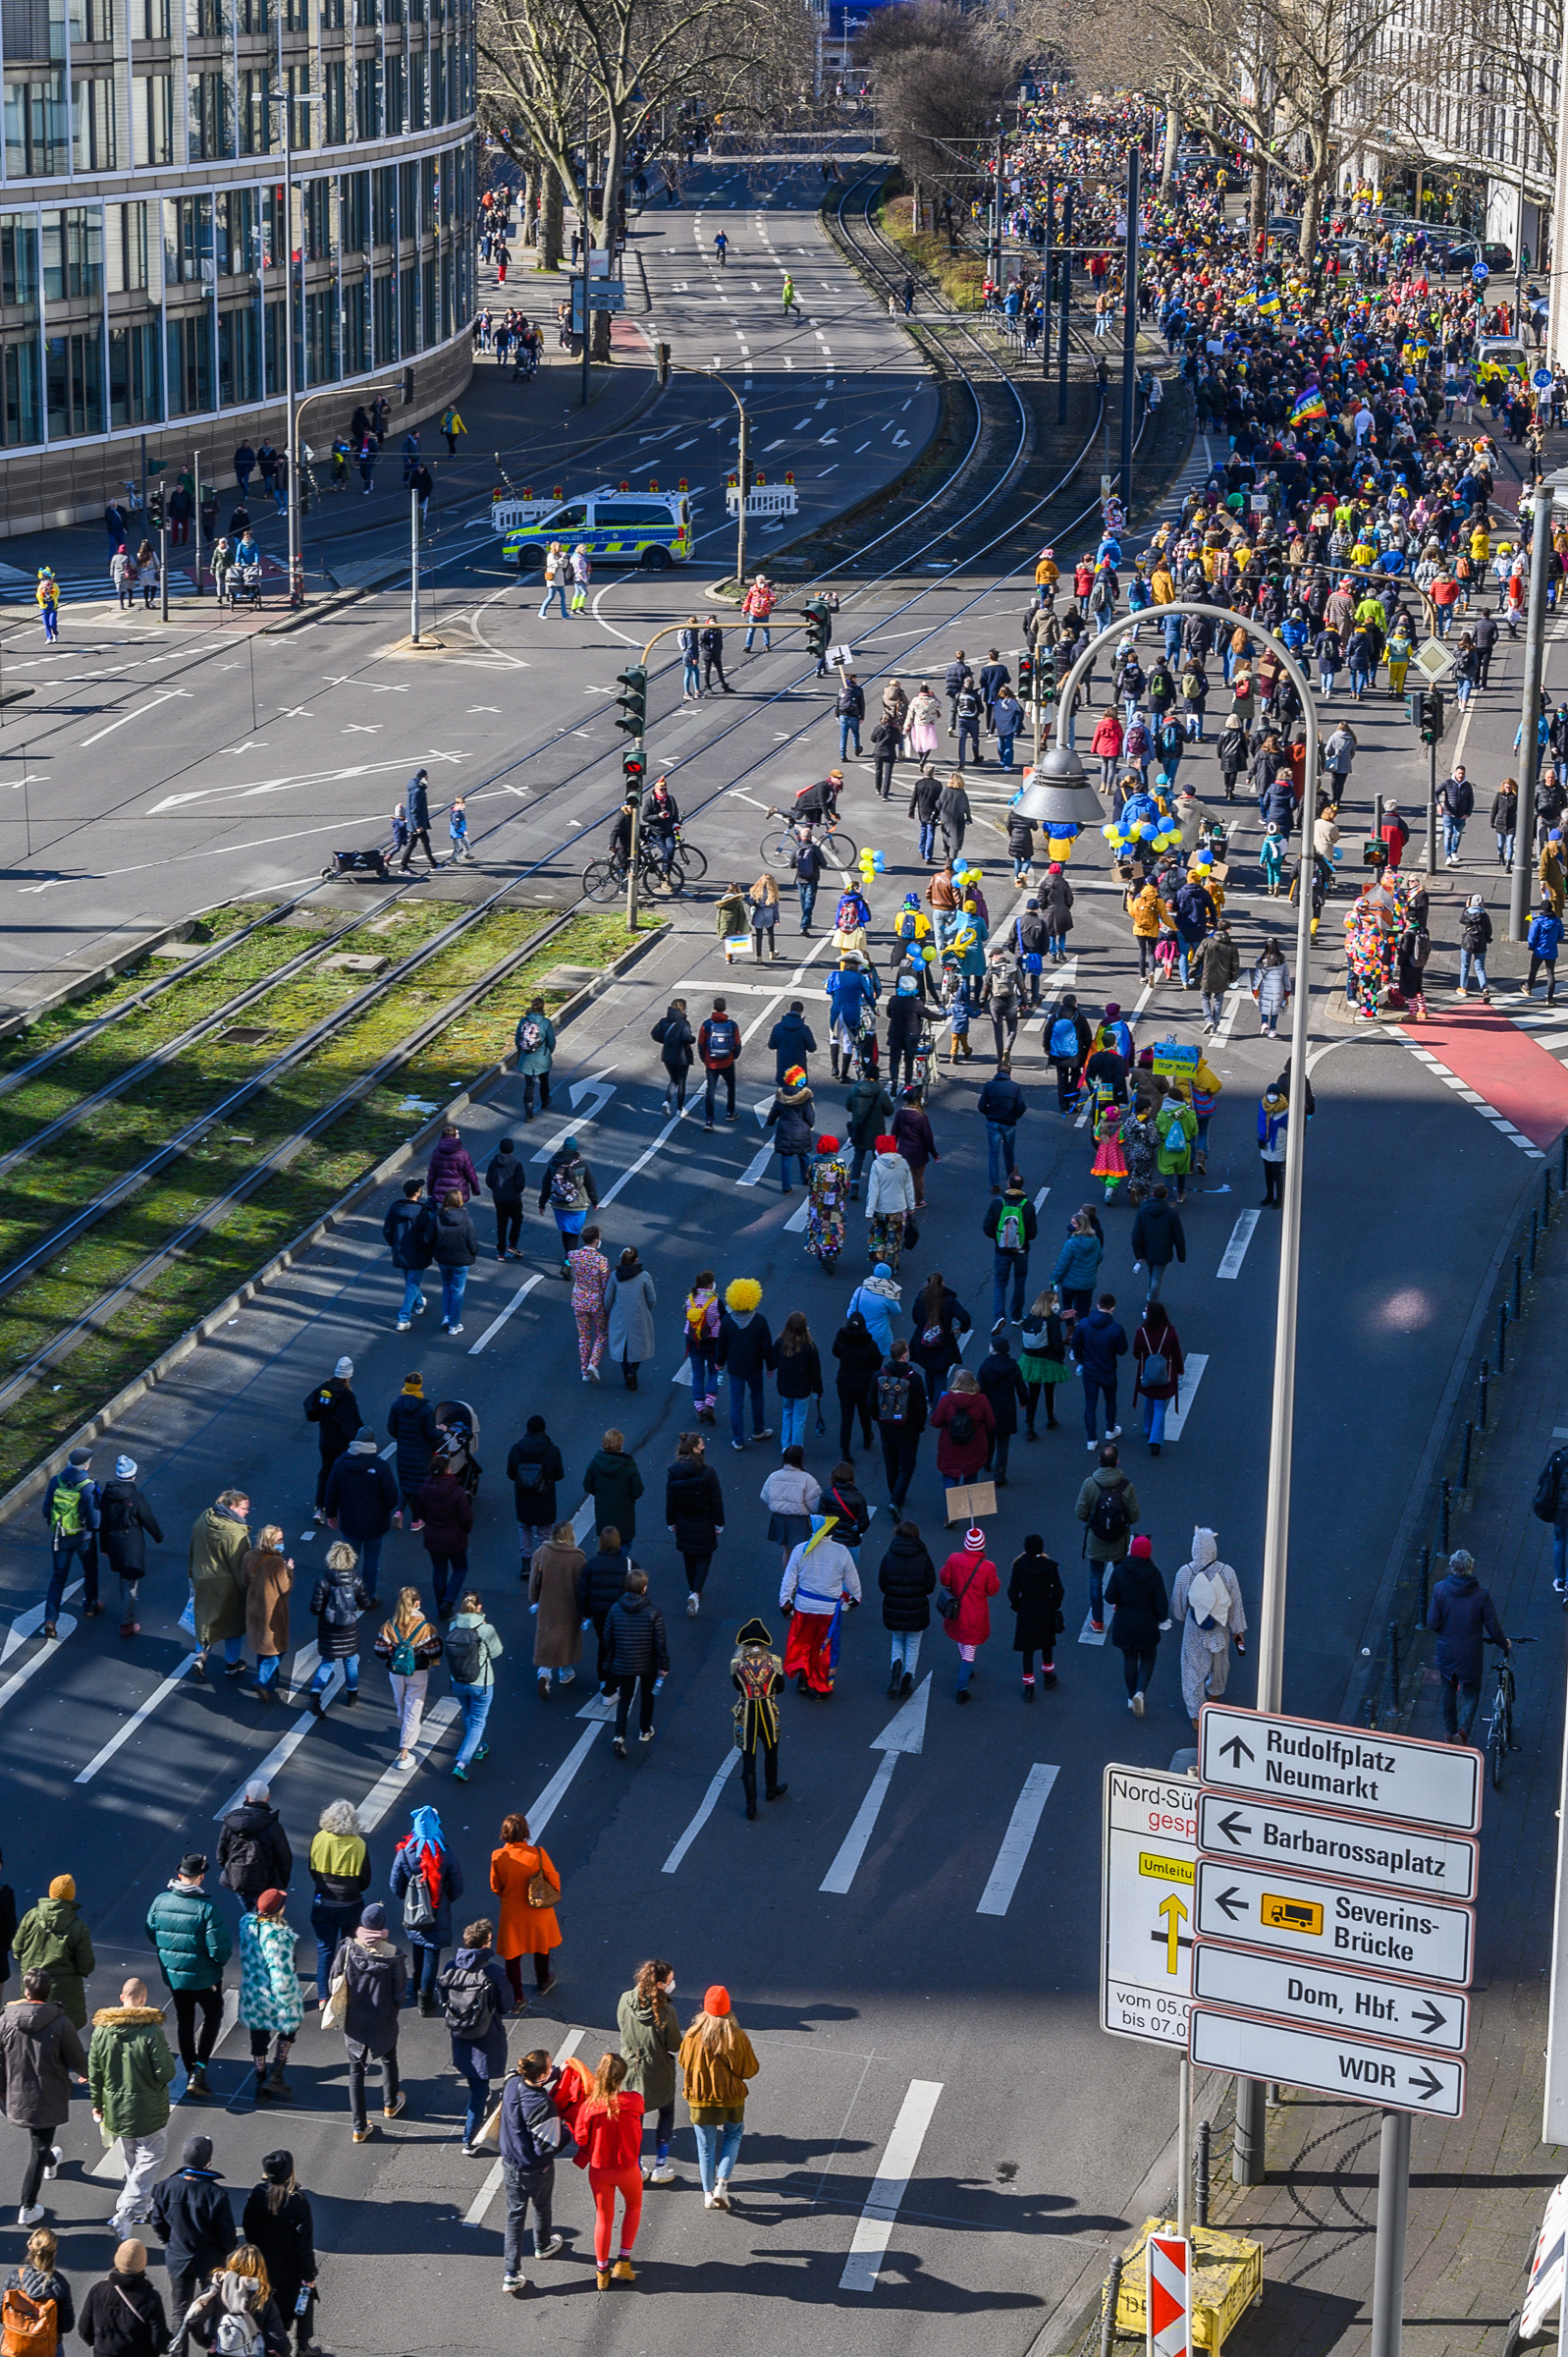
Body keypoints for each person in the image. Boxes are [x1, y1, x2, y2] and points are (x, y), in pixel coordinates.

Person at [0, 1967, 86, 2226]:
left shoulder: (5, 2019)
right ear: (48, 1992)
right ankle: (28, 2205)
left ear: (26, 1992)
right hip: (47, 2095)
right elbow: (75, 2057)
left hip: (13, 2092)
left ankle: (51, 2160)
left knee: (39, 2141)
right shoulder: (60, 2021)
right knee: (38, 2147)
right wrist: (86, 2074)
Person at [88, 1976, 177, 2231]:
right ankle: (127, 2208)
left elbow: (95, 2072)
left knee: (131, 2156)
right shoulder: (151, 2032)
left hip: (116, 2108)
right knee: (152, 2154)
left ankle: (141, 2206)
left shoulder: (101, 2032)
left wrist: (97, 2103)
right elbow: (166, 2073)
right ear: (143, 1999)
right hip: (148, 2108)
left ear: (121, 1998)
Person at [145, 1855, 232, 2100]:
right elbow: (219, 1950)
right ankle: (200, 2070)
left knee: (185, 2021)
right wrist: (216, 1963)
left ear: (179, 1875)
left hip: (175, 1977)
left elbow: (152, 1933)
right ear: (201, 1876)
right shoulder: (206, 1908)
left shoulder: (160, 1901)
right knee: (213, 2016)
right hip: (206, 1979)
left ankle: (190, 2068)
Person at [330, 1904, 407, 2143]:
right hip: (382, 2019)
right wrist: (391, 2012)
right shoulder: (393, 1953)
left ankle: (359, 2128)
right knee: (388, 2058)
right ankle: (390, 2104)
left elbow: (334, 1976)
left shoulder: (347, 1948)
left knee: (355, 2073)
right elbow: (399, 1993)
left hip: (354, 2021)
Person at [677, 1989, 760, 2211]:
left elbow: (683, 2062)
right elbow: (750, 2069)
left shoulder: (692, 2035)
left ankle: (707, 2194)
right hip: (731, 2098)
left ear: (704, 2008)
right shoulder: (736, 2036)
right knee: (733, 2136)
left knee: (705, 2147)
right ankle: (722, 2184)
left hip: (700, 2100)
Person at [436, 1916, 512, 2155]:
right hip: (485, 2035)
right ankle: (469, 2140)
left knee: (473, 2075)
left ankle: (477, 2098)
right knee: (480, 2088)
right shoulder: (493, 1972)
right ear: (484, 1945)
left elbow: (443, 1999)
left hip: (459, 2031)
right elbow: (506, 2004)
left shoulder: (450, 1968)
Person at [571, 2055, 645, 2290]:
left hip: (599, 2169)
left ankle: (601, 2272)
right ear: (622, 2076)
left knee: (604, 2217)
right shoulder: (634, 2101)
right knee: (633, 2207)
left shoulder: (589, 2107)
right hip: (627, 2168)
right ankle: (623, 2262)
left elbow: (580, 2137)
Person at [149, 2136, 234, 2328]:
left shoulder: (165, 2187)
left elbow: (157, 2223)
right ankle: (214, 2350)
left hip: (178, 2258)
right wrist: (224, 2251)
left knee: (179, 2311)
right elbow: (226, 2235)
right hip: (210, 2261)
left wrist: (170, 2244)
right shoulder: (216, 2194)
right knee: (216, 2307)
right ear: (207, 2161)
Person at [240, 2155, 318, 2357]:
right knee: (304, 2299)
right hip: (290, 2267)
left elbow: (248, 2228)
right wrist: (309, 2273)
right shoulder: (297, 2200)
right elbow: (304, 2242)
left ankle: (267, 2346)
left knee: (264, 2306)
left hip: (261, 2265)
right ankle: (302, 2346)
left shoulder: (257, 2194)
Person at [1428, 1548, 1508, 1742]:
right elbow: (1492, 1627)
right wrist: (1504, 1644)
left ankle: (1449, 1731)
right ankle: (1464, 1729)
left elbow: (1433, 1623)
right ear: (1471, 1567)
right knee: (1471, 1693)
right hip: (1470, 1656)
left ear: (1452, 1568)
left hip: (1447, 1654)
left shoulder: (1439, 1589)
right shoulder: (1481, 1595)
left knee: (1448, 1690)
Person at [1170, 1528, 1247, 1725]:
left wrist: (1185, 1617)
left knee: (1192, 1670)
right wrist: (1237, 1630)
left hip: (1195, 1628)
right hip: (1219, 1627)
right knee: (1220, 1664)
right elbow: (1235, 1604)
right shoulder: (1227, 1572)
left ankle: (1197, 1715)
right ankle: (1214, 1693)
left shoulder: (1185, 1572)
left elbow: (1178, 1606)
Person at [780, 1515, 861, 1695]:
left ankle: (803, 1677)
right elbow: (852, 1579)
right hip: (828, 1610)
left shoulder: (802, 1549)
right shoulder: (841, 1552)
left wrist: (785, 1600)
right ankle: (819, 1684)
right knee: (823, 1647)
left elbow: (789, 1577)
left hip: (804, 1607)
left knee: (803, 1643)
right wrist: (856, 1596)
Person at [618, 1960, 681, 2186]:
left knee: (635, 2119)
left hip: (630, 2070)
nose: (673, 1983)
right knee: (666, 2114)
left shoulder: (625, 1999)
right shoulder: (666, 2012)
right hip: (658, 2072)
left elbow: (622, 2027)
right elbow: (674, 2045)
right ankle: (660, 2165)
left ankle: (637, 2166)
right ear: (662, 1985)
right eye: (671, 1980)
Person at [238, 1892, 301, 2108]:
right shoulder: (280, 1937)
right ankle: (277, 2073)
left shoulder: (248, 1927)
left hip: (254, 1993)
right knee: (289, 2029)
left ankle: (260, 2080)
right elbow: (284, 1972)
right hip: (276, 1994)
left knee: (258, 2039)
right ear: (279, 1910)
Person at [489, 1814, 561, 2005]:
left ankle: (516, 1996)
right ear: (525, 1832)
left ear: (504, 1834)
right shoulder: (538, 1854)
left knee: (513, 1955)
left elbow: (496, 1886)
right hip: (537, 1910)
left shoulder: (498, 1856)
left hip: (512, 1913)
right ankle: (543, 1980)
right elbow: (553, 1882)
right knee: (541, 1946)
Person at [322, 1433, 398, 1602]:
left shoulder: (340, 1463)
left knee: (349, 1560)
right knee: (371, 1559)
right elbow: (391, 1496)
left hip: (350, 1522)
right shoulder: (380, 1466)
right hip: (375, 1523)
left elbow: (331, 1491)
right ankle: (367, 1596)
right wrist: (383, 1510)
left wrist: (332, 1515)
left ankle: (345, 1594)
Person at [603, 1567, 669, 1758]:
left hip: (623, 1661)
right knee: (647, 1696)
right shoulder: (653, 1612)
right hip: (647, 1662)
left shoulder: (615, 1609)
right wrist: (664, 1664)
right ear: (644, 1588)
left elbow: (607, 1637)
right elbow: (660, 1642)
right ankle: (644, 1730)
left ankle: (619, 1735)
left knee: (625, 1697)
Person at [1074, 1441, 1139, 1633]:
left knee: (1095, 1579)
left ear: (1099, 1460)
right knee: (1120, 1575)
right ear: (1117, 1462)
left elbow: (1080, 1511)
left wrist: (1094, 1522)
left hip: (1096, 1539)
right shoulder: (1126, 1486)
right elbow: (1134, 1515)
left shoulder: (1089, 1483)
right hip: (1119, 1540)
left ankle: (1098, 1621)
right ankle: (1118, 1603)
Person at [13, 1878, 93, 2031]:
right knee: (63, 2036)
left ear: (51, 1893)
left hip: (33, 1987)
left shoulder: (31, 1916)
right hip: (65, 1995)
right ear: (71, 1896)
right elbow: (86, 1965)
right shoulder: (78, 1926)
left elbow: (17, 1950)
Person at [374, 1588, 443, 1768]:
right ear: (417, 1603)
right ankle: (405, 1752)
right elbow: (435, 1651)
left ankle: (405, 1730)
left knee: (401, 1703)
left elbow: (379, 1651)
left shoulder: (388, 1625)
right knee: (414, 1706)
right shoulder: (426, 1627)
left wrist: (395, 1652)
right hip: (418, 1672)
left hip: (395, 1672)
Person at [189, 1489, 250, 1680]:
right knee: (234, 1624)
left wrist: (192, 1573)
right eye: (244, 1508)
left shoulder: (204, 1517)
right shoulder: (236, 1532)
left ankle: (200, 1656)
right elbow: (239, 1565)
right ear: (232, 1507)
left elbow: (193, 1545)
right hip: (227, 1585)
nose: (247, 1512)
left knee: (205, 1621)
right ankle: (232, 1663)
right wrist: (246, 1588)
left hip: (202, 1578)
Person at [1105, 1534, 1169, 1716]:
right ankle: (1140, 1692)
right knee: (1148, 1658)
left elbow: (1109, 1597)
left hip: (1124, 1624)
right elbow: (1161, 1606)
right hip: (1147, 1626)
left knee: (1130, 1659)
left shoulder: (1120, 1571)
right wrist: (1160, 1619)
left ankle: (1130, 1696)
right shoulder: (1154, 1574)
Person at [100, 1454, 163, 1640]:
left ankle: (124, 1612)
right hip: (130, 1544)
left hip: (113, 1541)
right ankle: (126, 1622)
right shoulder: (136, 1497)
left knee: (123, 1577)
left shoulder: (107, 1495)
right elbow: (147, 1519)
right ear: (133, 1475)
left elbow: (102, 1522)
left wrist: (103, 1545)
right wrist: (158, 1536)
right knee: (130, 1583)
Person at [305, 1541, 372, 1715]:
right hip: (349, 1629)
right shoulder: (356, 1580)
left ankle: (315, 1694)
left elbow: (315, 1609)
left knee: (327, 1662)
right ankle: (352, 1693)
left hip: (328, 1629)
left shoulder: (323, 1580)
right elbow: (366, 1603)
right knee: (350, 1661)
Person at [730, 1619, 786, 1818]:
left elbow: (737, 1687)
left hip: (747, 1714)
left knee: (748, 1760)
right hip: (768, 1712)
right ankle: (771, 1789)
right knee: (771, 1752)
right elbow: (781, 1687)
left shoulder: (737, 1665)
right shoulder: (774, 1662)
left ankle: (751, 1805)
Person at [43, 1444, 100, 1634]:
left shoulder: (55, 1481)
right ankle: (90, 1606)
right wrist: (90, 1531)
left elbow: (46, 1510)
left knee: (58, 1577)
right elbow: (95, 1520)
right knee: (90, 1570)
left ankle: (50, 1619)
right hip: (83, 1538)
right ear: (86, 1466)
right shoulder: (88, 1487)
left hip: (60, 1537)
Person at [78, 2241, 168, 2357]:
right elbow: (158, 2340)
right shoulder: (150, 2298)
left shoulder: (97, 2290)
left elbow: (84, 2329)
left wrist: (100, 2346)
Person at [877, 1519, 936, 1696]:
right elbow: (930, 1585)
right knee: (913, 1644)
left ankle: (894, 1678)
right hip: (916, 1607)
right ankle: (906, 1681)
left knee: (897, 1640)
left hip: (894, 1606)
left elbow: (883, 1583)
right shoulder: (923, 1556)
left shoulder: (889, 1555)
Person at [528, 1520, 584, 1695]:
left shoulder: (542, 1552)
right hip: (569, 1607)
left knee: (547, 1637)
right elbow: (582, 1587)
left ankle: (544, 1672)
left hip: (547, 1604)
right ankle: (566, 1673)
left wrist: (535, 1600)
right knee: (568, 1639)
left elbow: (533, 1581)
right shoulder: (577, 1558)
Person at [303, 1357, 361, 1520]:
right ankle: (341, 1506)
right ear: (349, 1376)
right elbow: (353, 1422)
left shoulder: (323, 1389)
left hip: (325, 1440)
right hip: (342, 1442)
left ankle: (319, 1508)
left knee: (325, 1472)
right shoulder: (347, 1396)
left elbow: (310, 1407)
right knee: (346, 1472)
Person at [4, 2223, 76, 2352]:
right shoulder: (59, 2283)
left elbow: (2, 2311)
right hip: (47, 2346)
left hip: (17, 2343)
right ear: (54, 2253)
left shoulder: (15, 2277)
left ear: (31, 2247)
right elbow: (66, 2325)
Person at [241, 1527, 293, 1703]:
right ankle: (262, 1681)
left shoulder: (249, 1556)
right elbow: (285, 1589)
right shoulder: (277, 1562)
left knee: (263, 1646)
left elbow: (244, 1581)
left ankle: (271, 1682)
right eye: (279, 1540)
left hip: (254, 1609)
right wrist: (289, 1571)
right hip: (273, 1613)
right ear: (270, 1542)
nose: (282, 1543)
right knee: (277, 1649)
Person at [509, 1416, 565, 1574]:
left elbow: (511, 1473)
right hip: (544, 1496)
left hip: (523, 1496)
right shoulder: (552, 1450)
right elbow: (559, 1474)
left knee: (524, 1527)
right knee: (544, 1532)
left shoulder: (516, 1449)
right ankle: (542, 1564)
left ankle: (526, 1562)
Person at [1073, 1290, 1127, 1449]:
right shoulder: (1116, 1329)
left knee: (1090, 1405)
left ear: (1098, 1305)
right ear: (1113, 1308)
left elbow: (1076, 1345)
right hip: (1108, 1371)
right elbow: (1122, 1350)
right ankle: (1110, 1429)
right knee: (1110, 1400)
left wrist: (1080, 1359)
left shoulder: (1084, 1324)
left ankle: (1091, 1439)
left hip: (1089, 1370)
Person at [537, 1135, 598, 1274]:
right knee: (574, 1233)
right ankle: (569, 1262)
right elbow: (591, 1184)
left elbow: (546, 1184)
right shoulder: (582, 1165)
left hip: (559, 1204)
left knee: (566, 1231)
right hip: (578, 1204)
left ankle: (568, 1256)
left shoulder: (554, 1163)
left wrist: (542, 1203)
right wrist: (595, 1201)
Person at [983, 1173, 1036, 1329]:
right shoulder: (1028, 1206)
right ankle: (1017, 1316)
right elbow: (1032, 1234)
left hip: (1002, 1251)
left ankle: (999, 1316)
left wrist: (998, 1239)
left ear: (1008, 1184)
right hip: (1021, 1251)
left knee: (1000, 1283)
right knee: (1019, 1282)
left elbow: (986, 1228)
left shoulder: (997, 1203)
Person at [977, 1332, 1028, 1485]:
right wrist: (1024, 1401)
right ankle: (1000, 1475)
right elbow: (1020, 1387)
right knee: (1003, 1443)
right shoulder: (1013, 1367)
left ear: (994, 1349)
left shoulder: (985, 1366)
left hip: (989, 1408)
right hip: (1006, 1408)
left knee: (989, 1438)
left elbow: (980, 1389)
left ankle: (987, 1462)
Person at [384, 1179, 433, 1332]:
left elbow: (387, 1230)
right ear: (417, 1192)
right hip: (418, 1253)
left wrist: (395, 1244)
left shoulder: (394, 1208)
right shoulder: (423, 1211)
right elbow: (428, 1234)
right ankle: (403, 1318)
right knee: (412, 1283)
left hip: (401, 1251)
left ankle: (419, 1303)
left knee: (410, 1281)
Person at [1019, 1288, 1069, 1435]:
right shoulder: (1052, 1320)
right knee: (1049, 1391)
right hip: (1048, 1360)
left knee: (1033, 1394)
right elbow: (1056, 1344)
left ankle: (1029, 1425)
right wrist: (1060, 1358)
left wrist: (1060, 1319)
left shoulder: (1030, 1317)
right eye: (1055, 1301)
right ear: (1048, 1303)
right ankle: (1050, 1418)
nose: (1057, 1304)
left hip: (1030, 1360)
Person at [1129, 1182, 1186, 1307]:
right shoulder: (1171, 1214)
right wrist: (1181, 1255)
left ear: (1152, 1194)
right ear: (1166, 1196)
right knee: (1157, 1276)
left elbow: (1136, 1234)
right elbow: (1178, 1236)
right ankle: (1152, 1300)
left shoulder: (1142, 1211)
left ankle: (1150, 1295)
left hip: (1147, 1249)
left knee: (1150, 1272)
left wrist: (1138, 1253)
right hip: (1163, 1250)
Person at [484, 1138, 527, 1261]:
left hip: (499, 1199)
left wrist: (497, 1190)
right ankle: (512, 1244)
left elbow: (489, 1180)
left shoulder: (494, 1162)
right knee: (517, 1219)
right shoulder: (516, 1163)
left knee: (501, 1224)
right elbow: (520, 1183)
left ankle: (500, 1252)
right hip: (514, 1199)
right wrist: (517, 1191)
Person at [514, 998, 557, 1121]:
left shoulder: (524, 1021)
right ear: (543, 1008)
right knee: (544, 1081)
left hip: (526, 1057)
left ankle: (528, 1112)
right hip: (542, 1057)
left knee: (529, 1083)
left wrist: (521, 1051)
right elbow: (551, 1041)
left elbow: (518, 1039)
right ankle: (545, 1100)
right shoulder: (546, 1022)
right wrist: (548, 1053)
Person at [653, 999, 696, 1108]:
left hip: (667, 1054)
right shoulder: (684, 1023)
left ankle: (667, 1101)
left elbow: (654, 1034)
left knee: (673, 1079)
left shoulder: (663, 1021)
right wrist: (692, 1039)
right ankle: (680, 1108)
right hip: (682, 1056)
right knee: (681, 1081)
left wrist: (666, 1041)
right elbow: (686, 1037)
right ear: (683, 1009)